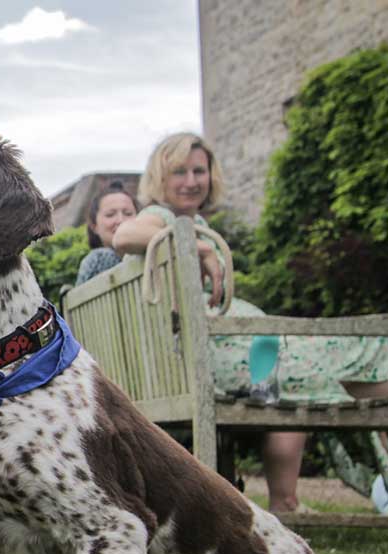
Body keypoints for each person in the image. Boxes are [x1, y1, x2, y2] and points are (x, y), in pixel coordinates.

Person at [113, 132, 388, 512]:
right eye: (179, 172)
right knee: (372, 354)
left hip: (241, 352)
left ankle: (287, 500)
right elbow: (124, 234)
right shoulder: (161, 217)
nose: (191, 181)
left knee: (357, 360)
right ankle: (321, 494)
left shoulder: (194, 220)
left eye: (199, 170)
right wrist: (196, 242)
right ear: (160, 177)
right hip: (211, 362)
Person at [75, 181, 137, 285]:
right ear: (94, 226)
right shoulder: (98, 259)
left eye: (128, 213)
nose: (120, 220)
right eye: (110, 214)